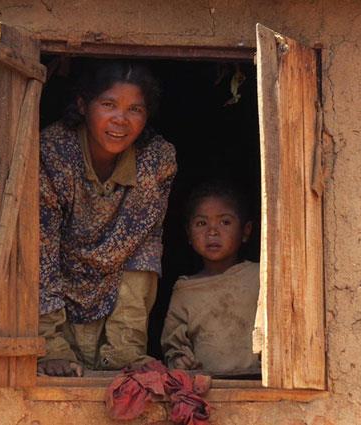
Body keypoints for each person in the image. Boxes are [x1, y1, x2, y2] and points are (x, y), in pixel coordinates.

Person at [37, 60, 177, 377]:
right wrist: (49, 348)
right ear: (83, 105)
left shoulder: (156, 160)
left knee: (147, 252)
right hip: (55, 293)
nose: (120, 120)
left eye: (135, 109)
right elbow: (40, 249)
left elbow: (143, 246)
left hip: (120, 293)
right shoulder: (54, 152)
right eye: (108, 104)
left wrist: (126, 349)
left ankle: (124, 352)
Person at [161, 181, 261, 375]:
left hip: (256, 381)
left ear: (246, 231)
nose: (212, 232)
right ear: (189, 234)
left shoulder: (259, 277)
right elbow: (173, 344)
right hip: (207, 389)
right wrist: (180, 359)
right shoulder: (185, 290)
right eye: (201, 223)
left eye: (225, 222)